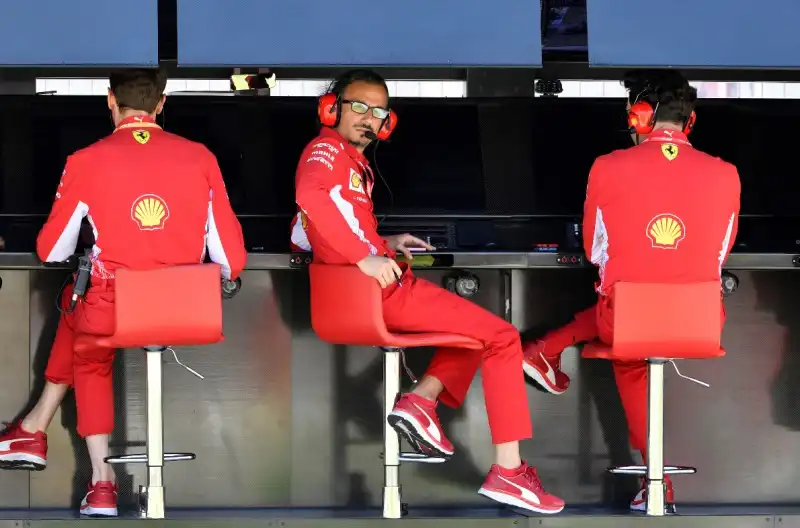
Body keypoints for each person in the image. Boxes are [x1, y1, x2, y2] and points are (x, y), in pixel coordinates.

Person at [293, 69, 564, 514]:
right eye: (358, 106)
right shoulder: (326, 150)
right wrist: (364, 257)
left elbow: (309, 230)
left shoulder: (349, 161)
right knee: (503, 338)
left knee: (478, 332)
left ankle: (422, 401)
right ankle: (509, 471)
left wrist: (382, 244)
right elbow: (310, 196)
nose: (368, 118)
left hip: (366, 292)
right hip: (381, 293)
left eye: (378, 112)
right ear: (331, 108)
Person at [0, 69, 247, 517]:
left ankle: (101, 483)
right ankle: (32, 428)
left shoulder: (86, 159)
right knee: (75, 307)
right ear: (162, 103)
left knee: (88, 345)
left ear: (110, 100)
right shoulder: (201, 157)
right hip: (187, 311)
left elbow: (52, 250)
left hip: (115, 309)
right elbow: (232, 259)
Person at [521, 69, 740, 511]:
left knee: (629, 335)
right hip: (701, 324)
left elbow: (594, 249)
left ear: (638, 116)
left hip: (627, 323)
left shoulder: (607, 166)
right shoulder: (727, 172)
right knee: (638, 318)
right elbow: (720, 253)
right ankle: (656, 483)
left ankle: (546, 349)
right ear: (690, 121)